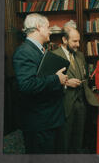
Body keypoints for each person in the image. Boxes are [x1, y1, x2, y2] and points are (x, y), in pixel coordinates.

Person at [12, 13, 68, 154]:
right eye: (48, 27)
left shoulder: (41, 50)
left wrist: (58, 80)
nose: (50, 31)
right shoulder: (24, 52)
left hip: (50, 119)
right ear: (38, 27)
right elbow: (26, 85)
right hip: (39, 123)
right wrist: (56, 79)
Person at [52, 20, 99, 153]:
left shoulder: (79, 55)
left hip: (81, 104)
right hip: (65, 104)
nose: (78, 45)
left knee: (78, 141)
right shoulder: (54, 56)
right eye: (74, 41)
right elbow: (48, 82)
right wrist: (67, 84)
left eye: (79, 41)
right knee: (64, 142)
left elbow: (83, 75)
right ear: (64, 40)